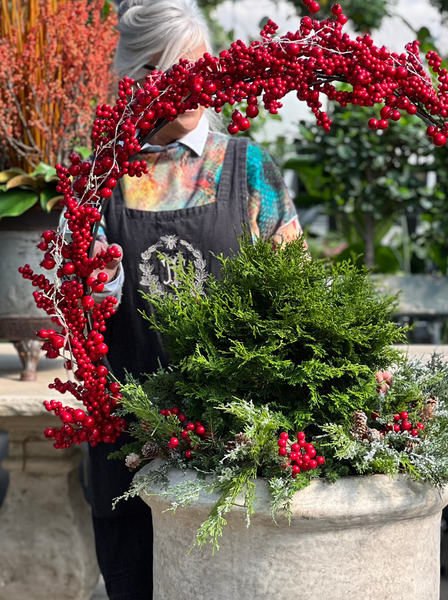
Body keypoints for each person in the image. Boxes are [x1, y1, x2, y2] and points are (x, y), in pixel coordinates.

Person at [88, 1, 303, 598]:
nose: (187, 87)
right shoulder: (100, 179)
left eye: (196, 68)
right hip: (130, 450)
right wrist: (91, 285)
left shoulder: (251, 169)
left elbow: (298, 301)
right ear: (135, 80)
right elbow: (76, 312)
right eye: (164, 72)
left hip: (236, 448)